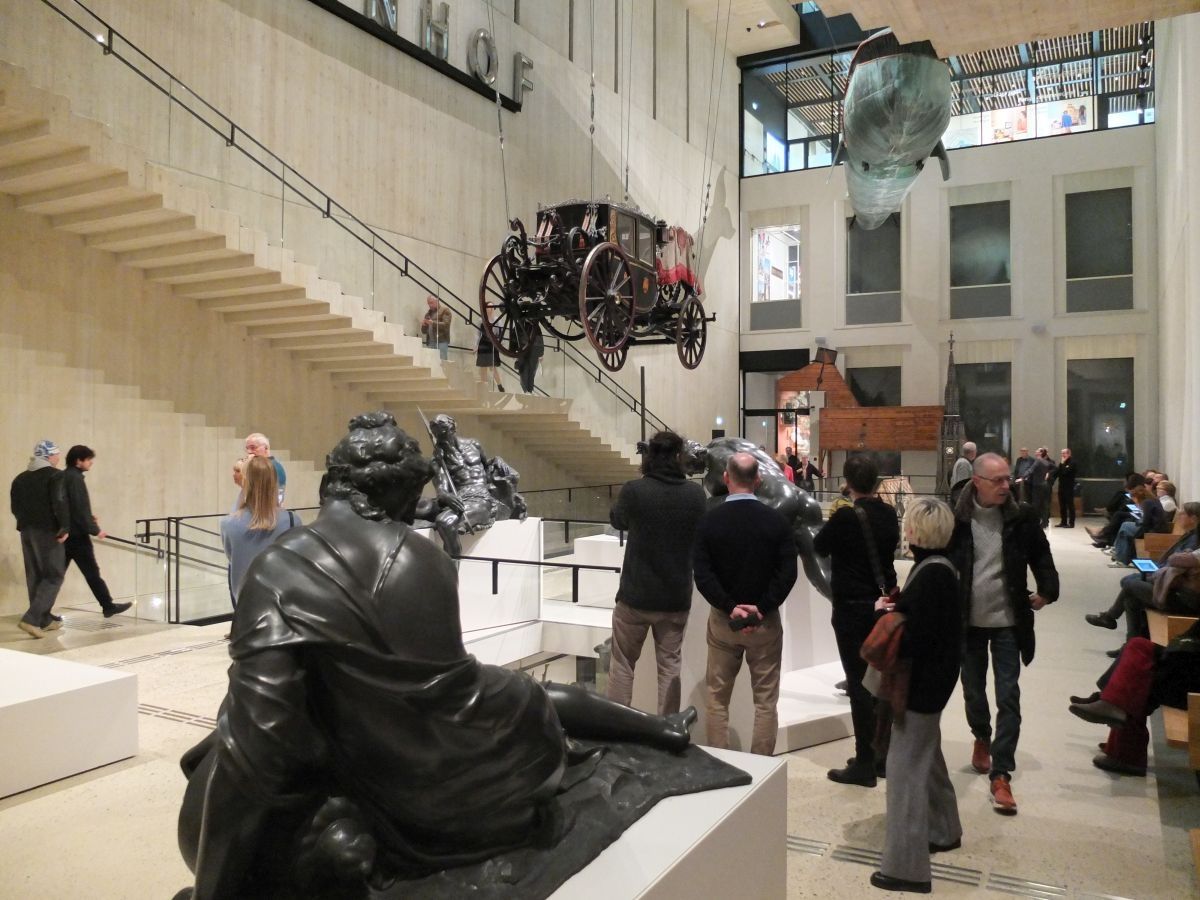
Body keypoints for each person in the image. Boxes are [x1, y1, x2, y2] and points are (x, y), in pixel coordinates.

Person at [176, 412, 698, 900]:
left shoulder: (278, 567)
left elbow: (258, 739)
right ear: (396, 497)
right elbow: (448, 692)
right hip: (470, 781)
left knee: (525, 696)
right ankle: (660, 729)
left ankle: (659, 729)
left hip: (387, 776)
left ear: (331, 485)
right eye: (412, 502)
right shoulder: (420, 558)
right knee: (529, 697)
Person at [948, 452, 1058, 815]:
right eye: (997, 480)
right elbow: (937, 559)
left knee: (1008, 695)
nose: (1006, 486)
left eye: (1007, 479)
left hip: (1009, 621)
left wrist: (1047, 590)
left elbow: (1041, 555)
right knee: (973, 689)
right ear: (976, 481)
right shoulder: (957, 518)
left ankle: (1002, 773)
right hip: (968, 622)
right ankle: (982, 735)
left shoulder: (1020, 517)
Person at [871, 498, 962, 895]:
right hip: (935, 681)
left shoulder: (931, 575)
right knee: (929, 755)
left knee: (905, 771)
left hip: (921, 686)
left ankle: (906, 868)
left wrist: (884, 617)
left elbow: (916, 639)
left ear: (913, 532)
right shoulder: (939, 568)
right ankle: (944, 828)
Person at [692, 452, 798, 755]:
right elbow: (787, 573)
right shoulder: (777, 522)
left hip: (723, 622)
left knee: (717, 698)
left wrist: (730, 607)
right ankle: (762, 764)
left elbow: (703, 574)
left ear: (726, 478)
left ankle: (721, 762)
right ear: (758, 479)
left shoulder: (709, 521)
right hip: (765, 623)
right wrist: (762, 607)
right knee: (766, 702)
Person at [606, 431, 707, 715]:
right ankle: (668, 728)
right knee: (669, 667)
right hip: (675, 598)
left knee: (622, 665)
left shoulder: (635, 490)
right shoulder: (695, 495)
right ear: (679, 457)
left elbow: (618, 519)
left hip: (634, 596)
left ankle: (615, 727)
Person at [814, 455, 900, 787]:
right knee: (879, 682)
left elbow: (819, 546)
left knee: (859, 684)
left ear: (847, 482)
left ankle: (864, 762)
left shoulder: (845, 517)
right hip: (882, 607)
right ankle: (881, 756)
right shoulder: (889, 514)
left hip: (851, 608)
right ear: (876, 482)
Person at [1068, 620, 1200, 777]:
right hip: (1189, 664)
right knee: (1137, 645)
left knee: (1138, 680)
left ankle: (1109, 702)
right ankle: (1110, 701)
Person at [1084, 502, 1200, 638]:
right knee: (1131, 598)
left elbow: (1176, 561)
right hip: (1174, 586)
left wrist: (1156, 573)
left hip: (1182, 597)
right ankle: (1129, 643)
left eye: (1183, 513)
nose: (1179, 515)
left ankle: (1110, 618)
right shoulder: (1190, 535)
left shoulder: (1194, 539)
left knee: (1130, 584)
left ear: (1193, 518)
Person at [61, 445, 131, 618]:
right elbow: (79, 507)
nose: (91, 462)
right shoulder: (75, 479)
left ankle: (40, 612)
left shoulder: (64, 476)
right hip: (77, 536)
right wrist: (94, 529)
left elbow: (68, 507)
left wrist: (89, 520)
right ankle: (108, 606)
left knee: (55, 576)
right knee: (92, 573)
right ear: (78, 461)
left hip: (66, 534)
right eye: (88, 459)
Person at [10, 440, 70, 638]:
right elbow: (59, 502)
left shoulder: (20, 478)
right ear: (49, 456)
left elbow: (15, 507)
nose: (58, 457)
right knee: (54, 575)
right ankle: (31, 619)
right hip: (48, 531)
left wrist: (25, 524)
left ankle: (44, 620)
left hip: (26, 531)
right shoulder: (56, 475)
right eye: (56, 454)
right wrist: (64, 526)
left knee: (35, 575)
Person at [220, 457, 299, 606]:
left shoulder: (228, 524)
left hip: (245, 602)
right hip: (281, 601)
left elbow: (232, 557)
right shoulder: (292, 520)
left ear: (246, 483)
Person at [1108, 482, 1167, 568]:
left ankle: (1119, 555)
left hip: (1153, 530)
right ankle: (1119, 553)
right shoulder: (1152, 500)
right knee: (1125, 527)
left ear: (1137, 497)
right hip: (1155, 527)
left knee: (1125, 527)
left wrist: (1138, 526)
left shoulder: (1147, 503)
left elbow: (1146, 522)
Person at [244, 432, 286, 505]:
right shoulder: (273, 465)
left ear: (266, 448)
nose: (249, 452)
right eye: (247, 448)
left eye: (253, 448)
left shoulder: (270, 468)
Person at [511, 319, 544, 394]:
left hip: (530, 352)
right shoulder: (533, 326)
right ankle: (526, 391)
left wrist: (541, 354)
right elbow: (540, 340)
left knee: (530, 374)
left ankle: (528, 392)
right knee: (525, 373)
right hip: (525, 352)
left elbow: (540, 340)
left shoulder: (533, 326)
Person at [1027, 448, 1054, 529]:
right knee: (1044, 504)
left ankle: (1038, 522)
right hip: (1044, 485)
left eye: (1038, 451)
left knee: (1037, 504)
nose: (1036, 452)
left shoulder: (1039, 461)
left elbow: (1030, 470)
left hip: (1039, 485)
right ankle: (1044, 522)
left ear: (1041, 453)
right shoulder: (1045, 461)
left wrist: (1022, 477)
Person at [1050, 448, 1077, 528]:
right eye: (1062, 453)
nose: (1063, 455)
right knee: (1062, 505)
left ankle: (1071, 523)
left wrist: (1062, 464)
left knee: (1070, 505)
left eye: (1064, 453)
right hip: (1061, 486)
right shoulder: (1062, 463)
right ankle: (1063, 522)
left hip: (1069, 487)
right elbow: (1058, 472)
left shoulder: (1073, 462)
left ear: (1069, 454)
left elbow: (1065, 472)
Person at [419, 294, 451, 360]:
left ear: (437, 301)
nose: (430, 305)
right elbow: (424, 332)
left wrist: (433, 323)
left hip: (441, 342)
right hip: (430, 342)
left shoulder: (445, 310)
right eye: (428, 303)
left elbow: (446, 325)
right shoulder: (428, 314)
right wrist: (424, 325)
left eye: (431, 303)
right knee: (431, 362)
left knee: (442, 362)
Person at [475, 326, 505, 391]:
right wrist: (476, 346)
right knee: (484, 368)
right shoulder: (481, 321)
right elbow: (478, 334)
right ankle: (485, 388)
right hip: (483, 344)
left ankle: (499, 386)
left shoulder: (496, 321)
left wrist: (500, 344)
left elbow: (500, 333)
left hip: (491, 344)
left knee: (492, 367)